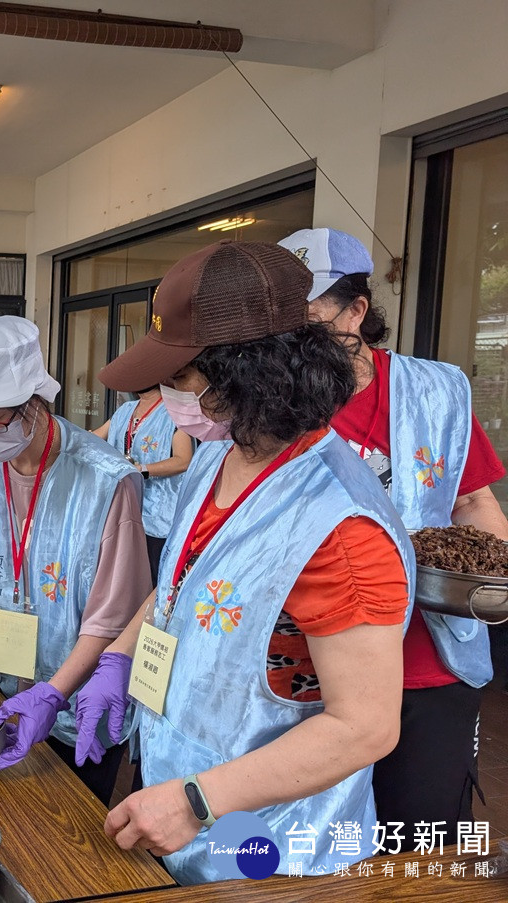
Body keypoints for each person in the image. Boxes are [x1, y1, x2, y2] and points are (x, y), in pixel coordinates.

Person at [77, 240, 413, 884]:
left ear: (248, 372)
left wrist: (198, 800)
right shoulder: (221, 454)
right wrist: (119, 657)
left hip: (276, 844)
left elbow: (365, 726)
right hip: (186, 809)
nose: (170, 395)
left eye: (180, 378)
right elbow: (184, 578)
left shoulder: (339, 527)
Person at [279, 227, 508, 836]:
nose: (290, 341)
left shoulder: (434, 392)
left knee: (420, 838)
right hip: (309, 666)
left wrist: (498, 578)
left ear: (356, 310)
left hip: (426, 657)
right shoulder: (273, 399)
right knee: (317, 841)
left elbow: (474, 502)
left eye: (305, 319)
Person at [0, 316, 150, 800]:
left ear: (35, 401)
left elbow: (112, 616)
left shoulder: (105, 479)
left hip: (82, 698)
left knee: (67, 821)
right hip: (2, 682)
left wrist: (54, 693)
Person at [93, 386, 193, 583]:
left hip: (160, 513)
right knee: (125, 575)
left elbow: (184, 460)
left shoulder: (174, 412)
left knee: (154, 573)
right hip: (124, 507)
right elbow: (95, 438)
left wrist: (142, 469)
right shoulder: (125, 410)